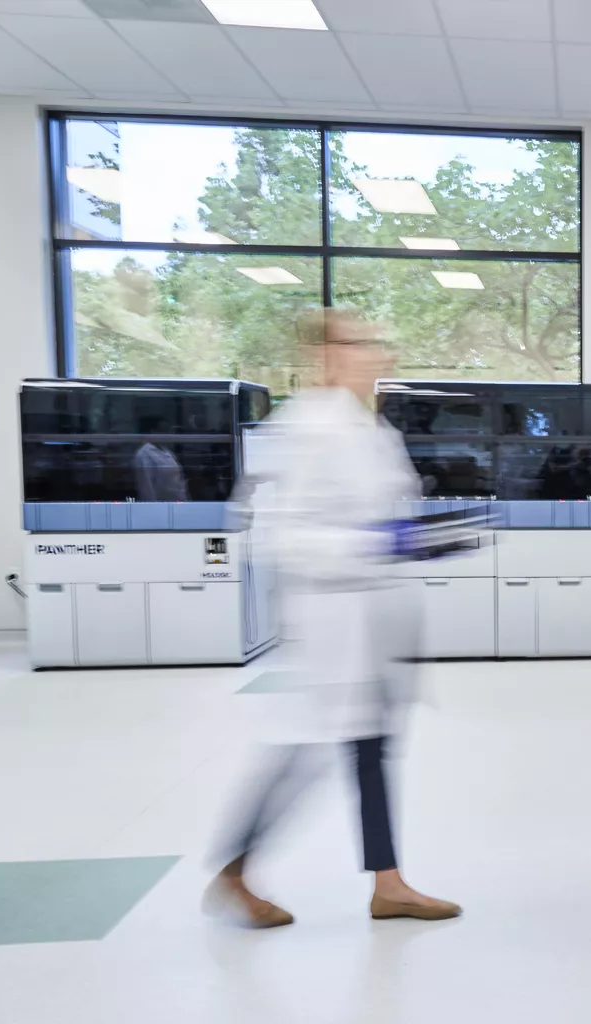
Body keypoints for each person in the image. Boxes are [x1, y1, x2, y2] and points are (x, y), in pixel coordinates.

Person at [205, 309, 461, 929]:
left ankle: (389, 883)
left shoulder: (369, 426)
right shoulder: (302, 427)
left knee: (370, 748)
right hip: (330, 622)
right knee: (309, 751)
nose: (376, 355)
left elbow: (387, 508)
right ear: (323, 353)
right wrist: (377, 545)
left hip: (372, 620)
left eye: (378, 342)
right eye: (358, 344)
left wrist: (423, 536)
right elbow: (279, 537)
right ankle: (234, 870)